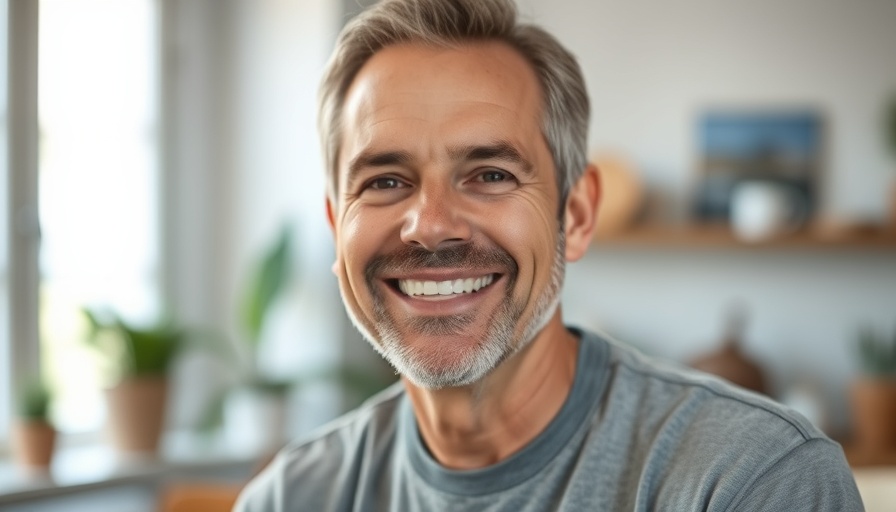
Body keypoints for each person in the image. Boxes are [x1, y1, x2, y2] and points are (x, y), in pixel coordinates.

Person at [235, 0, 863, 510]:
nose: (428, 227)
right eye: (384, 181)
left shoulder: (751, 481)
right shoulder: (286, 499)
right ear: (335, 225)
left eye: (489, 174)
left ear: (578, 215)